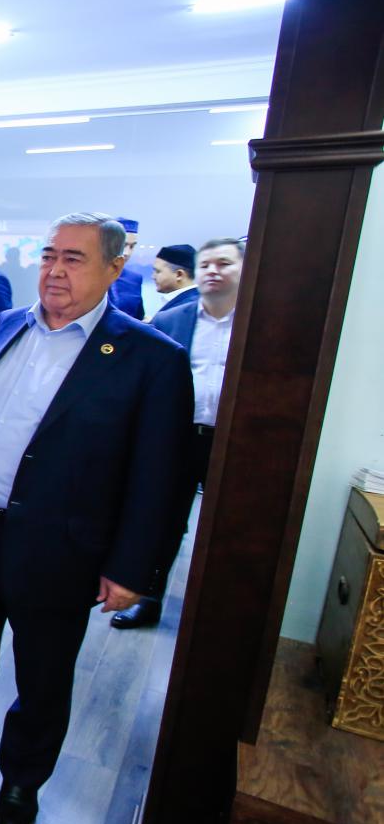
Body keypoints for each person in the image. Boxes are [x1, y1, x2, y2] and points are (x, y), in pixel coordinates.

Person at [0, 212, 193, 824]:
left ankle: (22, 778)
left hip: (59, 546)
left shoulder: (151, 358)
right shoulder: (4, 325)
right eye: (49, 255)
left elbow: (160, 478)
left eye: (74, 259)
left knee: (42, 672)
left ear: (115, 268)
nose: (55, 270)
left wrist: (134, 569)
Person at [114, 237, 243, 629]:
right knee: (165, 519)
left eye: (224, 263)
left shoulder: (257, 322)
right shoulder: (173, 320)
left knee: (229, 526)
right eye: (206, 264)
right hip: (180, 437)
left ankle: (215, 609)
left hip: (232, 441)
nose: (213, 271)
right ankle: (148, 597)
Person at [108, 217, 147, 319]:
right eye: (123, 245)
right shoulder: (89, 276)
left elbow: (139, 317)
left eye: (132, 246)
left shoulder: (134, 279)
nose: (127, 253)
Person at [152, 244, 199, 315]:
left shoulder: (188, 308)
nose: (153, 277)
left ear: (179, 275)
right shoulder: (192, 301)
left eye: (158, 271)